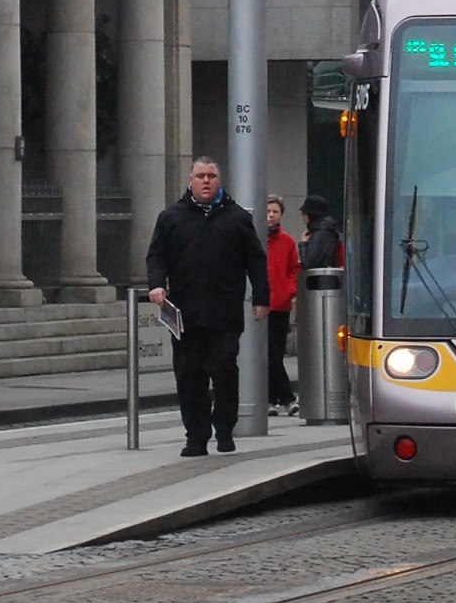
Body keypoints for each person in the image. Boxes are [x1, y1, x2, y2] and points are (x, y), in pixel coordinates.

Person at [144, 155, 269, 458]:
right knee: (189, 376)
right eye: (200, 176)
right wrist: (157, 284)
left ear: (219, 180)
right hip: (185, 314)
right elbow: (156, 255)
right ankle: (196, 436)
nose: (206, 181)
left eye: (211, 176)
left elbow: (255, 259)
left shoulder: (237, 217)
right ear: (190, 180)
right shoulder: (171, 217)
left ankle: (224, 427)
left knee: (224, 368)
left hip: (224, 312)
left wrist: (262, 299)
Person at [262, 196, 300, 416]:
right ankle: (283, 397)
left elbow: (293, 269)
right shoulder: (256, 239)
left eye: (275, 212)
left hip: (280, 304)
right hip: (260, 304)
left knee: (274, 354)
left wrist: (289, 290)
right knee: (267, 355)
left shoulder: (287, 242)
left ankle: (278, 398)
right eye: (268, 211)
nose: (271, 215)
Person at [299, 194, 344, 276]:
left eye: (304, 213)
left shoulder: (321, 233)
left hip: (321, 282)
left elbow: (308, 264)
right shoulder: (327, 230)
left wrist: (303, 244)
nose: (302, 216)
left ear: (310, 215)